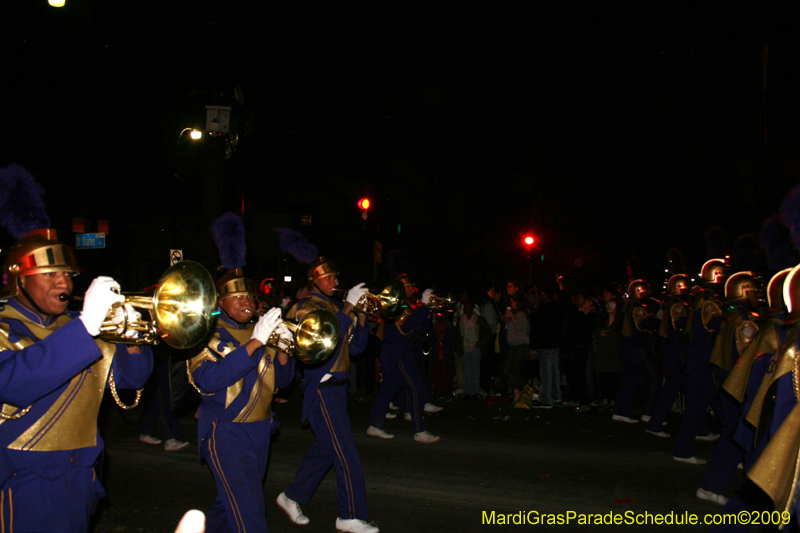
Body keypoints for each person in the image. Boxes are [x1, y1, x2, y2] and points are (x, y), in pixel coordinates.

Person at [0, 227, 154, 532]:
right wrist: (86, 326)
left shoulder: (79, 324)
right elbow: (13, 383)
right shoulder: (6, 325)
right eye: (50, 274)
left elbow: (133, 380)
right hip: (23, 480)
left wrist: (130, 334)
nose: (65, 283)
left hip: (81, 474)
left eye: (69, 275)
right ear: (20, 280)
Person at [276, 256, 379, 533]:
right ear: (314, 281)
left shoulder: (336, 306)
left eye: (335, 277)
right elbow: (326, 338)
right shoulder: (304, 307)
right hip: (322, 386)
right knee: (346, 453)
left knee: (326, 450)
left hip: (338, 387)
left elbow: (356, 349)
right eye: (328, 278)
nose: (335, 282)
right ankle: (350, 515)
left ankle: (291, 496)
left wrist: (361, 314)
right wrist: (348, 307)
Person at [187, 267, 292, 533]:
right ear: (220, 302)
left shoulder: (260, 331)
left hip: (261, 428)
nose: (246, 301)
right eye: (237, 296)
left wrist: (284, 348)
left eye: (248, 295)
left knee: (229, 504)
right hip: (226, 430)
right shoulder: (205, 332)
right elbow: (209, 379)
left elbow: (281, 381)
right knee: (251, 511)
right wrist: (256, 342)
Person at [367, 275, 441, 443]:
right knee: (416, 388)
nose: (411, 289)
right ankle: (419, 431)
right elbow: (406, 327)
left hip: (400, 352)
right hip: (398, 354)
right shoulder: (394, 304)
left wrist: (428, 310)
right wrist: (424, 306)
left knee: (387, 391)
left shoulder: (405, 305)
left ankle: (374, 425)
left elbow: (420, 330)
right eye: (408, 286)